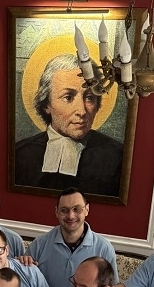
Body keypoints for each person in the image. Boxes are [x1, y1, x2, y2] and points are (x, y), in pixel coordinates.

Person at [14, 54, 123, 197]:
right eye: (68, 97)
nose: (82, 111)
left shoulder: (117, 157)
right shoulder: (20, 154)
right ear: (46, 104)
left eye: (89, 97)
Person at [27, 189, 117, 287]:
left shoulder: (104, 248)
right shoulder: (38, 246)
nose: (70, 215)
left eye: (77, 209)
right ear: (56, 212)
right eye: (64, 210)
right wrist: (23, 264)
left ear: (87, 209)